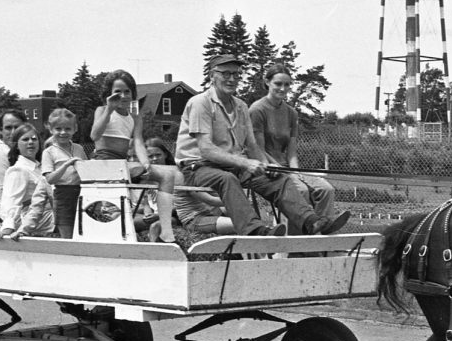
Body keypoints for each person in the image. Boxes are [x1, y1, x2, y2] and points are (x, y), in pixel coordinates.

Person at [175, 55, 349, 236]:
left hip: (232, 165)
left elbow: (251, 145)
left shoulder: (241, 106)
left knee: (278, 179)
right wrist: (246, 163)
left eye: (236, 74)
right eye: (226, 74)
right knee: (227, 179)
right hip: (197, 168)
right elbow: (206, 149)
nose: (232, 79)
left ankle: (312, 222)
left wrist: (267, 164)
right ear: (212, 75)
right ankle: (255, 231)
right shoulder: (200, 103)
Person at [90, 69, 182, 243]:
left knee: (169, 174)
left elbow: (138, 142)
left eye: (127, 92)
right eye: (117, 92)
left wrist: (146, 164)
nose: (123, 96)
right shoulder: (102, 110)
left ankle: (165, 228)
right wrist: (109, 110)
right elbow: (94, 135)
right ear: (109, 94)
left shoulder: (135, 117)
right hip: (103, 164)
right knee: (113, 206)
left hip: (122, 165)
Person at [249, 64, 341, 234]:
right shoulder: (257, 110)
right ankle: (296, 248)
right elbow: (257, 149)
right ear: (267, 82)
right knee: (301, 190)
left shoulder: (291, 113)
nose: (283, 88)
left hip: (287, 167)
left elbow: (291, 150)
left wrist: (295, 171)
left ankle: (324, 239)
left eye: (287, 85)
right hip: (267, 168)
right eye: (278, 84)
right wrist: (280, 169)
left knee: (326, 189)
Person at [142, 137, 234, 236]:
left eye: (158, 155)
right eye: (150, 156)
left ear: (165, 154)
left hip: (184, 214)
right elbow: (146, 202)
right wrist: (148, 214)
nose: (155, 159)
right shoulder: (149, 178)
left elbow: (210, 199)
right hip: (188, 218)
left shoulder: (180, 174)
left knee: (156, 226)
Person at [0, 123, 55, 240]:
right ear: (17, 145)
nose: (30, 142)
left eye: (34, 139)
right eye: (25, 139)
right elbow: (10, 200)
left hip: (46, 214)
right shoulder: (18, 170)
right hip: (34, 219)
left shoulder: (41, 167)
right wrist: (8, 225)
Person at [41, 108, 87, 239]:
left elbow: (87, 173)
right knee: (68, 236)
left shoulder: (79, 148)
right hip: (63, 195)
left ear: (75, 128)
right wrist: (66, 165)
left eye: (67, 129)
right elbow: (49, 179)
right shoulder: (49, 152)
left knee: (85, 232)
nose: (63, 132)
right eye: (58, 129)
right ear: (51, 129)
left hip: (82, 193)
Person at [0, 110, 27, 229]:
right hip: (8, 222)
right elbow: (9, 194)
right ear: (0, 130)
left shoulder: (24, 153)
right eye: (8, 128)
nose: (13, 132)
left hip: (25, 217)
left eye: (17, 127)